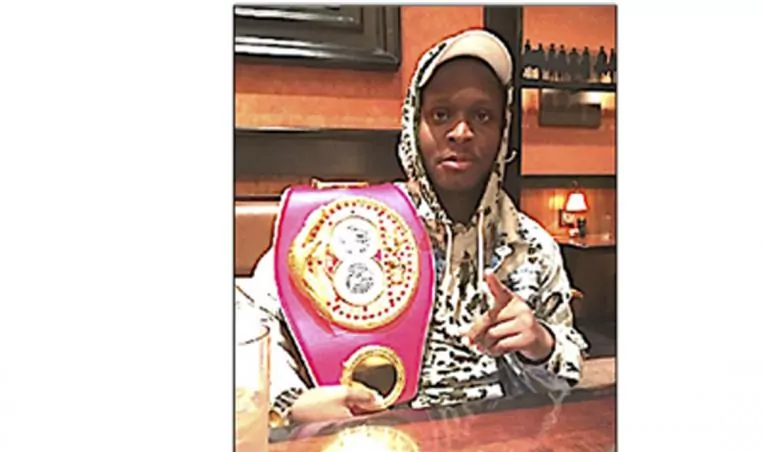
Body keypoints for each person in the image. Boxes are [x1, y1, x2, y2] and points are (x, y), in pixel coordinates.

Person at [238, 28, 589, 427]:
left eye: (482, 116)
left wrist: (541, 344)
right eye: (441, 114)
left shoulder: (532, 246)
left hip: (498, 445)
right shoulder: (352, 222)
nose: (461, 132)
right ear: (412, 125)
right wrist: (289, 404)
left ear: (502, 131)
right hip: (369, 442)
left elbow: (565, 383)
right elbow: (246, 321)